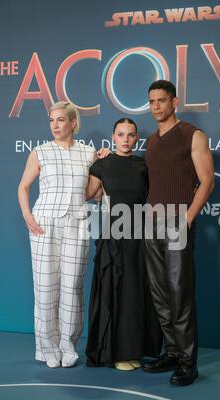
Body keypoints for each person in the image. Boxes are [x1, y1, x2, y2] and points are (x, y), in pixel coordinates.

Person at [142, 80, 215, 385]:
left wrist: (187, 218)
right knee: (159, 294)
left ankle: (187, 362)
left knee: (179, 292)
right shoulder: (151, 141)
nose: (156, 106)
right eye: (152, 101)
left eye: (162, 100)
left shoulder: (192, 135)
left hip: (177, 222)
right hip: (148, 223)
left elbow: (207, 181)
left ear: (175, 102)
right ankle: (171, 352)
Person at [18, 101, 100, 368]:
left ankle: (68, 345)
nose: (55, 125)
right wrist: (28, 216)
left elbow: (93, 194)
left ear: (73, 123)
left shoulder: (89, 154)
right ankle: (47, 347)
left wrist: (105, 164)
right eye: (52, 120)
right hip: (44, 224)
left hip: (77, 224)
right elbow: (23, 187)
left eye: (61, 120)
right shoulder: (40, 152)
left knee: (72, 287)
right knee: (45, 287)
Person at [85, 118, 162, 371]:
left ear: (137, 138)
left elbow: (155, 198)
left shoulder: (145, 165)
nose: (126, 139)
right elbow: (88, 194)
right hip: (114, 235)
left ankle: (137, 350)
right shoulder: (102, 165)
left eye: (130, 135)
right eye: (121, 134)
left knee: (136, 292)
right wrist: (91, 160)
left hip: (141, 235)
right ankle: (117, 352)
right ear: (113, 136)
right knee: (116, 290)